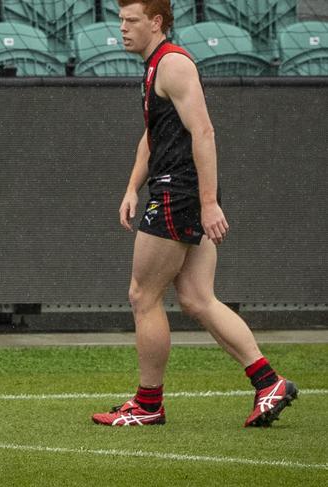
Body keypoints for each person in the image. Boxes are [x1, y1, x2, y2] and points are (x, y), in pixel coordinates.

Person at [92, 0, 297, 427]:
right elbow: (153, 137)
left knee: (142, 296)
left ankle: (148, 405)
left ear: (156, 22)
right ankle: (269, 382)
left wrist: (207, 203)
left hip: (178, 194)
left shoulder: (173, 65)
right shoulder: (154, 67)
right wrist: (132, 186)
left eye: (130, 21)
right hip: (177, 192)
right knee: (197, 298)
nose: (122, 29)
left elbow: (203, 131)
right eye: (120, 20)